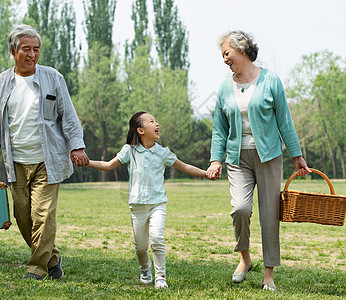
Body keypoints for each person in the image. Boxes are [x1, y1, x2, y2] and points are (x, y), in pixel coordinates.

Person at [206, 30, 310, 291]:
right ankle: (244, 258)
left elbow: (284, 121)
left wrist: (297, 155)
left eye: (226, 53)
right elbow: (219, 128)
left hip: (269, 156)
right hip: (237, 157)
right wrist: (215, 160)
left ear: (242, 50)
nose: (224, 59)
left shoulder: (270, 80)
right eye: (222, 55)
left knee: (269, 215)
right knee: (240, 209)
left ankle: (268, 274)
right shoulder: (224, 86)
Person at [0, 24, 89, 280]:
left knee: (42, 216)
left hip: (48, 160)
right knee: (23, 218)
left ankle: (37, 268)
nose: (32, 55)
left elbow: (69, 115)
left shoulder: (53, 77)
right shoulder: (1, 83)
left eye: (36, 49)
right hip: (15, 162)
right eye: (26, 49)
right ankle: (52, 258)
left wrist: (77, 145)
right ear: (13, 51)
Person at [85, 111, 208, 289]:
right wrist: (86, 162)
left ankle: (160, 277)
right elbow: (108, 165)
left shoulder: (163, 152)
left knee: (157, 238)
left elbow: (183, 166)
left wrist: (205, 173)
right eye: (151, 121)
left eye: (156, 121)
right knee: (141, 247)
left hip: (157, 204)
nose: (156, 124)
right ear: (140, 130)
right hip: (137, 207)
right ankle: (144, 268)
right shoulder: (130, 151)